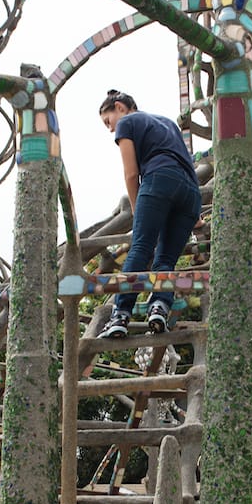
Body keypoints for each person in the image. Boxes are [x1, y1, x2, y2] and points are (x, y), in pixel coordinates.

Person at [97, 89, 202, 338]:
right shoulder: (166, 122)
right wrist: (195, 212)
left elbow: (131, 173)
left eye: (108, 121)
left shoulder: (128, 123)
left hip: (158, 181)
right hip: (190, 193)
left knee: (141, 247)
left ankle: (120, 315)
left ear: (120, 107)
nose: (111, 129)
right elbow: (187, 161)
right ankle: (159, 307)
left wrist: (137, 209)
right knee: (165, 258)